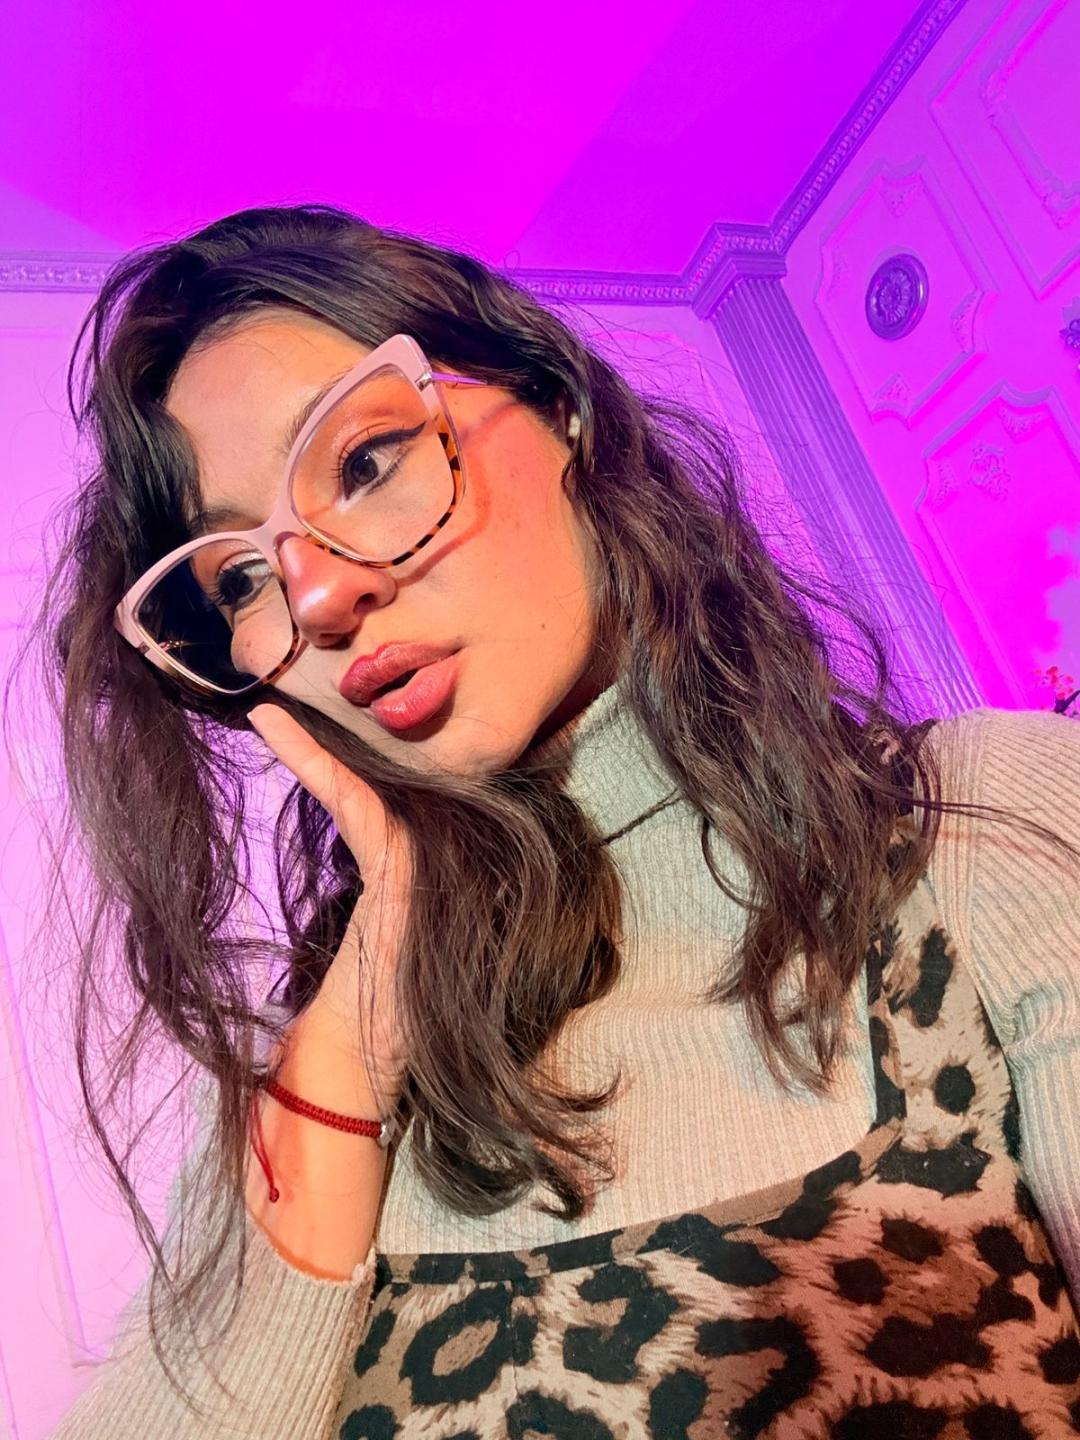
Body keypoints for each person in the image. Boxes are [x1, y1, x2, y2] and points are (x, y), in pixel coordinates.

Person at [28, 203, 1080, 1439]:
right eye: (241, 579)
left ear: (558, 406)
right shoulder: (326, 1083)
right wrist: (363, 1017)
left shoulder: (976, 825)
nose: (315, 599)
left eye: (362, 463)